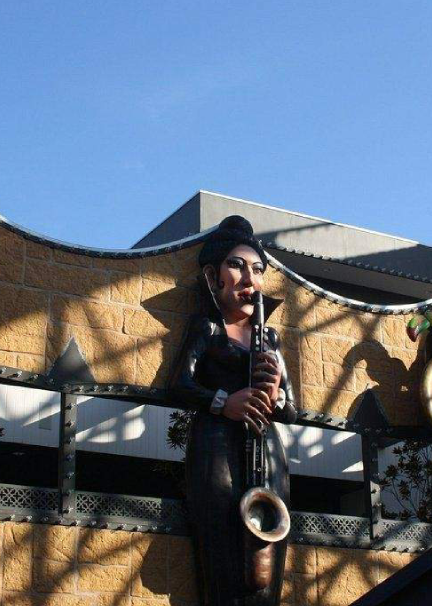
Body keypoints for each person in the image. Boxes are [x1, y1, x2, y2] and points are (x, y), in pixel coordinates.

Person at [171, 215, 298, 606]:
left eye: (257, 270)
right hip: (216, 447)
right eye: (237, 266)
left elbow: (291, 409)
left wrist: (274, 393)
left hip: (266, 451)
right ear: (213, 278)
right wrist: (226, 402)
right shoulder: (207, 327)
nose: (249, 279)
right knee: (223, 550)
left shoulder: (270, 338)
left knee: (267, 562)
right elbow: (180, 386)